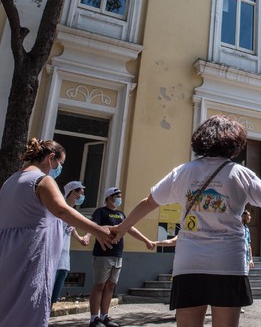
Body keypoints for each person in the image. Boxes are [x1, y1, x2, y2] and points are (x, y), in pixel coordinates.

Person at [109, 115, 261, 327]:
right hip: (228, 263)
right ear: (234, 143)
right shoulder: (242, 174)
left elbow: (148, 202)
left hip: (189, 263)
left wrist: (120, 229)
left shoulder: (183, 172)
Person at [0, 138, 112, 327]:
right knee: (28, 309)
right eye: (59, 163)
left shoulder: (9, 182)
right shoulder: (43, 181)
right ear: (50, 158)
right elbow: (63, 211)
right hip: (31, 257)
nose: (59, 168)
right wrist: (99, 230)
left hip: (8, 255)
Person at [87, 187, 155, 327]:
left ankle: (104, 316)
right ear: (109, 197)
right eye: (117, 196)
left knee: (111, 286)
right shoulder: (100, 212)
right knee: (99, 285)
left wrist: (146, 241)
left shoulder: (121, 214)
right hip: (103, 254)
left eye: (120, 196)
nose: (119, 198)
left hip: (117, 254)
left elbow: (130, 228)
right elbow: (94, 226)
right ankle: (94, 319)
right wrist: (114, 227)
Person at [51, 181, 90, 305]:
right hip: (53, 252)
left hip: (64, 254)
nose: (82, 197)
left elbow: (70, 228)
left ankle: (50, 308)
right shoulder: (59, 206)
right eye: (81, 193)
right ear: (73, 192)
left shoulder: (72, 210)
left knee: (60, 279)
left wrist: (80, 239)